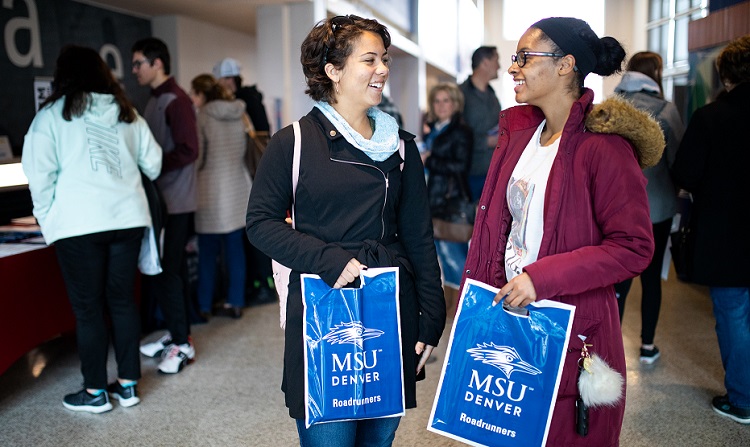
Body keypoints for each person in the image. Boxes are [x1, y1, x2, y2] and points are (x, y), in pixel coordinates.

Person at [245, 15, 446, 446]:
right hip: (324, 305)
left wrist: (432, 317)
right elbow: (259, 224)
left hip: (389, 306)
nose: (383, 69)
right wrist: (327, 259)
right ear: (333, 71)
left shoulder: (400, 145)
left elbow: (418, 235)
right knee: (330, 437)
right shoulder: (293, 142)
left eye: (385, 59)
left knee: (379, 437)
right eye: (369, 59)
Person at [462, 17, 662, 445]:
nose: (513, 68)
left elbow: (634, 246)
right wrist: (473, 303)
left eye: (523, 57)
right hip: (509, 316)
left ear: (565, 64)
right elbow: (500, 230)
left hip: (571, 326)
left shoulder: (603, 148)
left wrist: (541, 277)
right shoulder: (520, 136)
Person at [22, 45, 162, 413]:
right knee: (122, 302)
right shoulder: (126, 112)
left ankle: (95, 391)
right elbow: (154, 164)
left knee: (88, 309)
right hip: (128, 219)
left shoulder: (51, 116)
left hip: (79, 225)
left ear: (62, 76)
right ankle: (128, 385)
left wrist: (48, 220)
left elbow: (39, 177)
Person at [672, 34, 750, 425]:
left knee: (734, 313)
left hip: (728, 236)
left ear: (725, 75)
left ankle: (743, 400)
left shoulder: (711, 117)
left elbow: (685, 172)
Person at [612, 51, 685, 364]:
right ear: (656, 73)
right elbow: (679, 161)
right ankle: (647, 346)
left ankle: (608, 343)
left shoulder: (610, 107)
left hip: (615, 207)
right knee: (652, 276)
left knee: (617, 278)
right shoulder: (665, 110)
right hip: (657, 206)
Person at [132, 37, 198, 374]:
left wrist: (153, 164)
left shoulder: (175, 100)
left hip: (175, 201)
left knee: (168, 271)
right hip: (162, 200)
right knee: (167, 271)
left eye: (139, 63)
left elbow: (189, 150)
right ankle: (176, 333)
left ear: (158, 63)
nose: (135, 70)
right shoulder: (155, 99)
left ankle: (182, 344)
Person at [213, 57, 277, 305]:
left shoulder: (240, 104)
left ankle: (261, 285)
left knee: (253, 233)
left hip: (247, 176)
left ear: (228, 79)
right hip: (257, 173)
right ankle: (261, 284)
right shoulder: (252, 99)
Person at [189, 74, 252, 320]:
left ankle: (204, 306)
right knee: (236, 250)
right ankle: (235, 302)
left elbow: (199, 158)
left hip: (211, 193)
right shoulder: (239, 113)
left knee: (207, 253)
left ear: (203, 95)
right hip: (238, 188)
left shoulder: (203, 117)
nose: (193, 99)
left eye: (194, 94)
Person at [422, 82, 473, 315]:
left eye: (446, 100)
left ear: (455, 103)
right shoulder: (435, 128)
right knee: (442, 258)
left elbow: (460, 166)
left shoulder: (461, 131)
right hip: (434, 201)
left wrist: (429, 159)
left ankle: (461, 311)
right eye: (437, 101)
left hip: (449, 203)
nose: (441, 105)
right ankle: (450, 309)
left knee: (455, 260)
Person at [459, 46, 501, 201]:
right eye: (496, 61)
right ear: (485, 62)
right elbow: (455, 135)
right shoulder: (461, 94)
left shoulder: (492, 95)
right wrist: (486, 141)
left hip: (492, 172)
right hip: (469, 174)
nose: (499, 66)